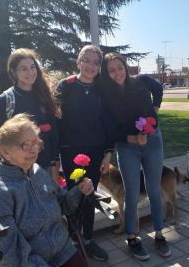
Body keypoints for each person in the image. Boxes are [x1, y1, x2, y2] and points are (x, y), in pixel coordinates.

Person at [0, 113, 93, 266]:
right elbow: (11, 250)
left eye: (36, 143)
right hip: (30, 260)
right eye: (26, 145)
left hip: (62, 249)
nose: (34, 150)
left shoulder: (36, 170)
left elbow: (63, 204)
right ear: (5, 152)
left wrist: (79, 190)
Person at [100, 52, 171, 261]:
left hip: (153, 142)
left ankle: (159, 234)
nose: (116, 73)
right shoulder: (107, 95)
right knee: (131, 194)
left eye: (119, 68)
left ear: (125, 66)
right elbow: (110, 129)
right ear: (107, 73)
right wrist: (131, 139)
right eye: (111, 70)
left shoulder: (141, 81)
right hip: (127, 146)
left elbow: (157, 89)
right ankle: (132, 237)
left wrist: (155, 109)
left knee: (154, 190)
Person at [57, 44, 112, 262]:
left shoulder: (103, 88)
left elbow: (109, 121)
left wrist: (108, 153)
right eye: (86, 60)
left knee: (90, 195)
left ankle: (87, 240)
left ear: (99, 66)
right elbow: (57, 121)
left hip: (97, 151)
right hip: (71, 153)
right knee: (74, 196)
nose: (90, 65)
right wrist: (56, 159)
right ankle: (73, 241)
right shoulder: (66, 86)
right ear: (78, 62)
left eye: (95, 62)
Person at [0, 48, 60, 179]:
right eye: (24, 69)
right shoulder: (6, 100)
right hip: (18, 171)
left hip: (45, 169)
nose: (30, 72)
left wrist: (54, 163)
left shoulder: (44, 96)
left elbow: (53, 134)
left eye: (32, 67)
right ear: (14, 72)